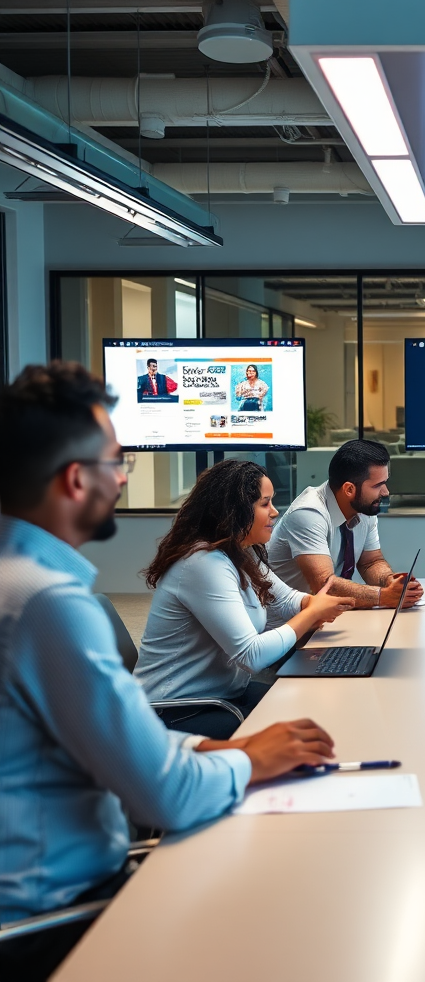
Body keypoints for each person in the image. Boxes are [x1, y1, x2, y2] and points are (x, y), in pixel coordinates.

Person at [0, 362, 336, 977]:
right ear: (76, 480)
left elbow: (76, 744)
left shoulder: (16, 585)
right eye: (116, 462)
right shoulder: (47, 604)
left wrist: (206, 745)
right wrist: (251, 757)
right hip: (61, 918)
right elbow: (168, 793)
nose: (124, 478)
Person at [134, 460, 354, 735]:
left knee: (310, 710)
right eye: (265, 504)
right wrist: (311, 613)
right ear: (234, 511)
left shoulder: (241, 551)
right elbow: (251, 655)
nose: (275, 512)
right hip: (177, 712)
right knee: (296, 733)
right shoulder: (203, 563)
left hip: (223, 694)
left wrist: (311, 603)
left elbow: (284, 600)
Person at [268, 439, 423, 609]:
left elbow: (371, 562)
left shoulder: (364, 507)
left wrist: (390, 582)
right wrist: (382, 596)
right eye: (378, 485)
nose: (386, 492)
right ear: (349, 489)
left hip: (325, 617)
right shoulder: (307, 513)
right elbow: (324, 585)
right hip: (289, 625)